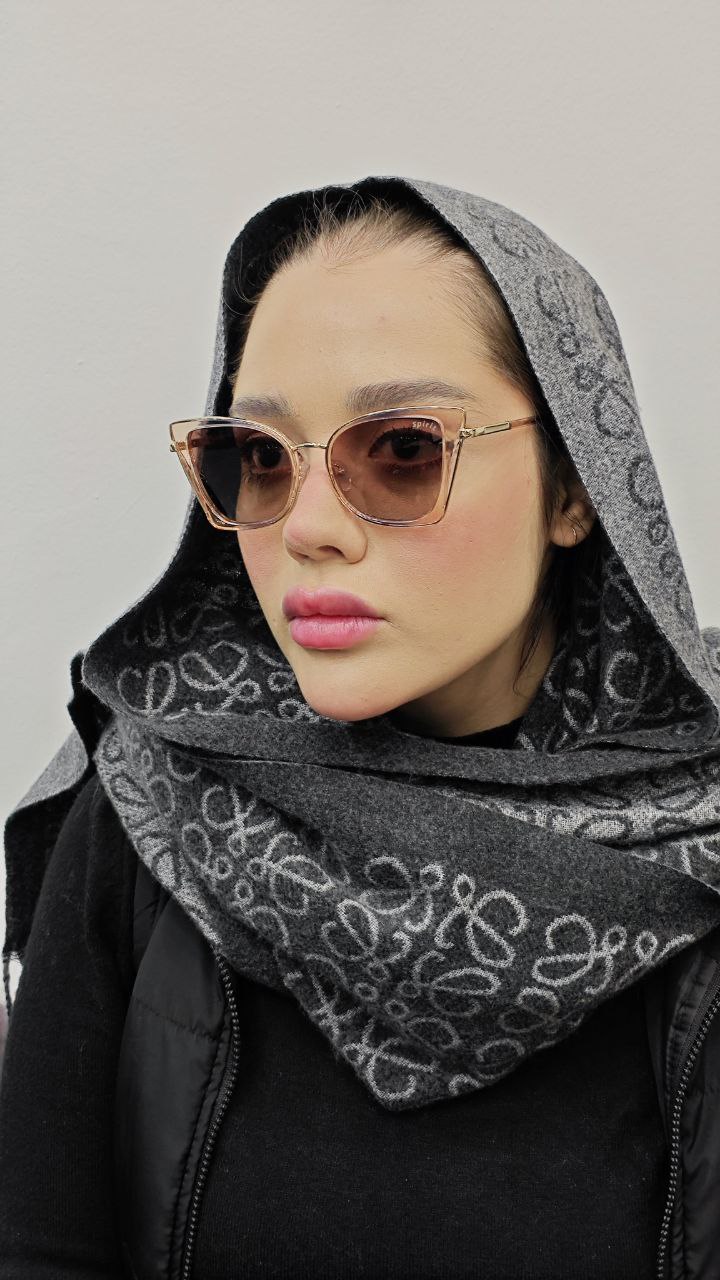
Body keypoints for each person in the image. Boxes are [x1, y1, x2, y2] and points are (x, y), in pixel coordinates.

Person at [1, 175, 720, 1280]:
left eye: (403, 449)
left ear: (575, 488)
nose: (309, 529)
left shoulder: (702, 829)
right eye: (263, 457)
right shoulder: (156, 804)